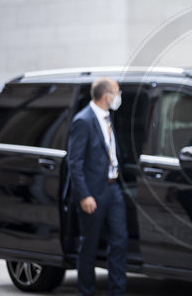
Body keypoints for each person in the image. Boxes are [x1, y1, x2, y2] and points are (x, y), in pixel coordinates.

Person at [68, 77, 128, 296]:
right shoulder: (83, 120)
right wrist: (84, 195)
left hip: (113, 189)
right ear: (107, 96)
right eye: (117, 93)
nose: (119, 97)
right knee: (89, 245)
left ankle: (117, 291)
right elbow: (75, 162)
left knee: (120, 241)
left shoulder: (108, 117)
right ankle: (86, 291)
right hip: (93, 192)